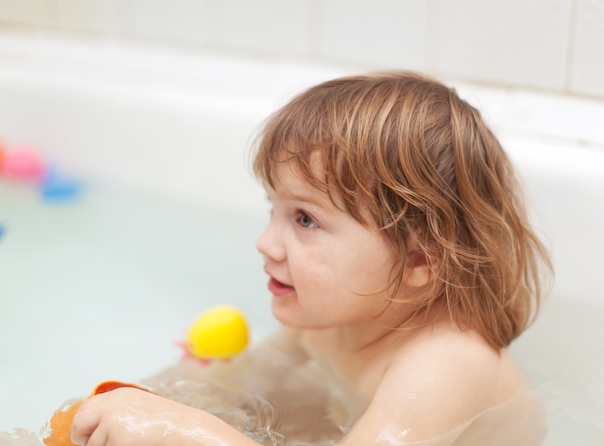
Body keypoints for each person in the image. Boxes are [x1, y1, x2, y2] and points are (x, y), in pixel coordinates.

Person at [69, 71, 551, 446]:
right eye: (273, 210)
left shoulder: (445, 364)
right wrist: (137, 404)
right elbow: (234, 389)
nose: (265, 242)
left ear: (419, 258)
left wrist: (190, 432)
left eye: (304, 220)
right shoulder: (330, 316)